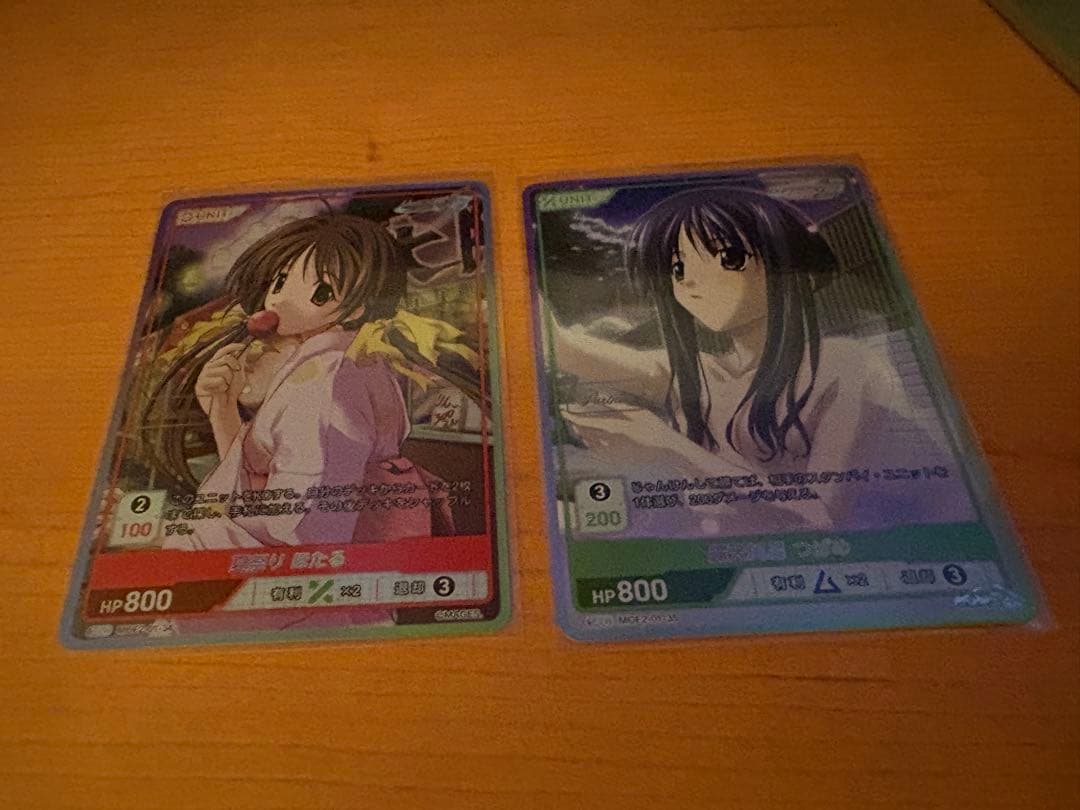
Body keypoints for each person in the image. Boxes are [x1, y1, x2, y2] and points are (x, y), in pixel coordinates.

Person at [547, 186, 975, 533]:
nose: (692, 283)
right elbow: (566, 348)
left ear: (788, 265)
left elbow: (822, 518)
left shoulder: (846, 366)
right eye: (678, 269)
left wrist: (666, 446)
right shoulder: (702, 372)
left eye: (728, 258)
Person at [144, 210, 466, 550]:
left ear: (357, 308)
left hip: (342, 547)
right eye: (280, 282)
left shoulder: (327, 379)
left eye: (321, 292)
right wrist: (222, 410)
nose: (280, 300)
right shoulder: (336, 361)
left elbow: (302, 527)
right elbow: (274, 484)